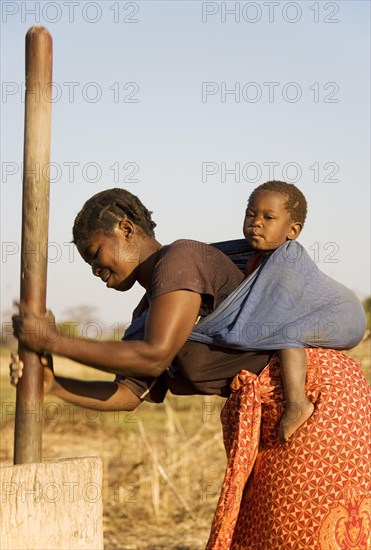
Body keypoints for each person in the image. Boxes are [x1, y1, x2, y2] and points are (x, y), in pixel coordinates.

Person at [11, 187, 371, 550]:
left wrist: (53, 341)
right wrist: (54, 385)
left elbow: (154, 355)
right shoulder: (146, 316)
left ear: (125, 229)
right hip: (268, 416)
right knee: (268, 535)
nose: (95, 270)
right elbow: (127, 395)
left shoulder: (181, 260)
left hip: (315, 398)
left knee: (304, 533)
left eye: (95, 254)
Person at [243, 181, 313, 442]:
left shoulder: (286, 257)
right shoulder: (255, 256)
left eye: (268, 217)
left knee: (287, 334)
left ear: (293, 230)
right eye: (251, 214)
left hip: (292, 325)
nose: (256, 222)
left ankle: (297, 401)